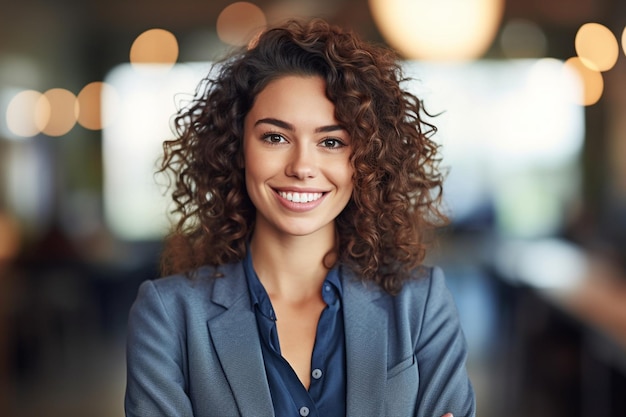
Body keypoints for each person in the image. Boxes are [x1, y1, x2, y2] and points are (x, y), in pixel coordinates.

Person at [125, 18, 475, 417]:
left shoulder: (421, 303)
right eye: (275, 137)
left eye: (331, 142)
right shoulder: (167, 316)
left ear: (367, 160)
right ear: (237, 148)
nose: (302, 166)